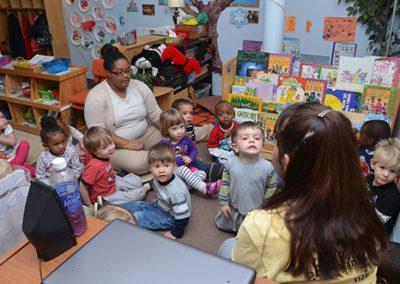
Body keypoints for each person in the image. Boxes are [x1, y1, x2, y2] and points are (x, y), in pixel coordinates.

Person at [221, 103, 387, 283]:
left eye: (277, 143)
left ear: (287, 162)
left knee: (227, 247)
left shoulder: (260, 224)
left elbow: (242, 277)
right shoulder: (369, 211)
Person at [84, 44, 162, 174]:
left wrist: (169, 128)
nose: (126, 76)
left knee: (178, 138)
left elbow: (155, 115)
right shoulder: (96, 96)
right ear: (108, 73)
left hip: (146, 133)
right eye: (120, 72)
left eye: (128, 71)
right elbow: (98, 134)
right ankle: (169, 159)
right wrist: (127, 144)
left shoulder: (139, 87)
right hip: (114, 147)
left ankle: (206, 131)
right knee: (143, 163)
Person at [215, 121, 278, 233]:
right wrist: (223, 203)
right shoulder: (230, 163)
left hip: (256, 207)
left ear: (262, 146)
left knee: (253, 231)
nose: (252, 140)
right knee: (226, 223)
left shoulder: (268, 167)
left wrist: (267, 202)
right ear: (235, 147)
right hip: (234, 204)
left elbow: (272, 186)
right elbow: (225, 183)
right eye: (245, 138)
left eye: (257, 138)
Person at [121, 143, 191, 239]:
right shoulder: (157, 177)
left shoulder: (176, 192)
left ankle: (112, 220)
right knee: (136, 204)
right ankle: (113, 210)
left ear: (174, 167)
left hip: (171, 218)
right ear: (150, 168)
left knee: (138, 216)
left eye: (166, 166)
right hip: (161, 206)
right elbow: (154, 183)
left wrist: (176, 233)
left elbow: (183, 217)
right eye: (157, 166)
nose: (161, 170)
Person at [79, 126, 151, 210]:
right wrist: (90, 205)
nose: (110, 148)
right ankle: (145, 188)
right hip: (105, 196)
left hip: (111, 180)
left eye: (110, 143)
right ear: (94, 151)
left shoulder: (102, 155)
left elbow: (86, 152)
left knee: (137, 181)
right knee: (132, 197)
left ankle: (136, 189)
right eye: (104, 147)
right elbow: (82, 187)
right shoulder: (94, 166)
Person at [160, 109, 221, 198]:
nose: (179, 131)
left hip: (188, 169)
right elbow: (165, 160)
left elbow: (194, 150)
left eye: (181, 126)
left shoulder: (186, 139)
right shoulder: (164, 145)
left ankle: (182, 190)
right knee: (183, 169)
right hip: (173, 172)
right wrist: (179, 160)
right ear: (166, 130)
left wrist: (190, 158)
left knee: (202, 174)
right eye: (174, 128)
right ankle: (205, 189)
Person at [172, 98, 223, 181]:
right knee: (197, 164)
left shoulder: (189, 127)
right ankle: (210, 171)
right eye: (184, 113)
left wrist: (194, 154)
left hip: (187, 155)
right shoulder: (173, 131)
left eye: (191, 113)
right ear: (174, 115)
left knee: (195, 162)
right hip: (178, 159)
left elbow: (192, 142)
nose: (189, 116)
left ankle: (210, 170)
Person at [367, 138, 400, 235]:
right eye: (382, 167)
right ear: (373, 164)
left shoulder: (392, 197)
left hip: (374, 236)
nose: (386, 174)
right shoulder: (368, 179)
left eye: (392, 171)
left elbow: (373, 225)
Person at [36, 116, 82, 184]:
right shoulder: (43, 157)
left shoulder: (71, 151)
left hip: (70, 181)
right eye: (56, 144)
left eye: (63, 141)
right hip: (53, 186)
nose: (61, 146)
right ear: (46, 146)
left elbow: (77, 168)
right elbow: (40, 176)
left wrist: (71, 179)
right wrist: (52, 184)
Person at [0, 111, 35, 176]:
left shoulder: (7, 127)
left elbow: (13, 142)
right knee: (25, 166)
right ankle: (18, 167)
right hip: (6, 162)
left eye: (3, 117)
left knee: (24, 144)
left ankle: (15, 167)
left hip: (16, 154)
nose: (3, 120)